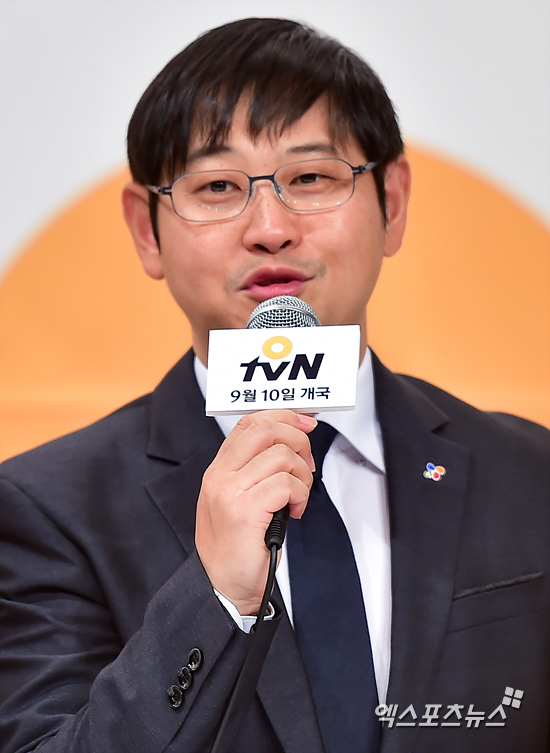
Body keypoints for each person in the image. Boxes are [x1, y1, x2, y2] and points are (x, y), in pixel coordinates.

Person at [0, 17, 549, 753]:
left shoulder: (529, 473)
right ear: (146, 229)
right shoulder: (48, 510)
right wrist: (215, 597)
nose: (270, 227)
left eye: (311, 178)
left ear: (392, 201)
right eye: (217, 186)